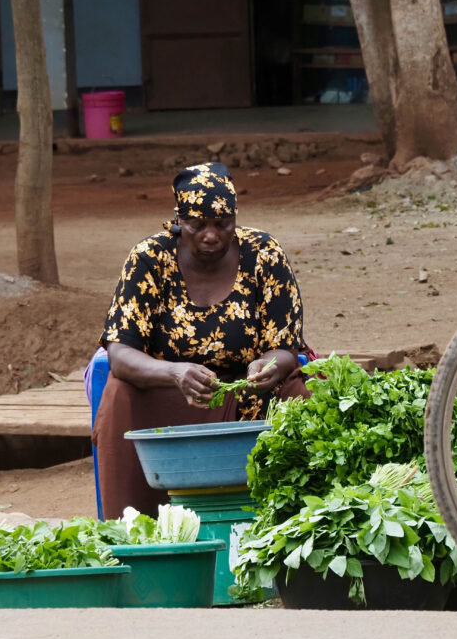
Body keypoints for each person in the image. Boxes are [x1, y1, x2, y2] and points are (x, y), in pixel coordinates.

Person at [92, 162, 312, 518]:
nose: (211, 236)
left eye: (223, 224)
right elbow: (120, 353)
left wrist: (269, 365)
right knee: (119, 393)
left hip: (248, 394)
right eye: (197, 225)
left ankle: (296, 521)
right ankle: (132, 529)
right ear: (179, 220)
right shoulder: (149, 258)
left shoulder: (264, 254)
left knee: (300, 398)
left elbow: (287, 346)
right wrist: (175, 373)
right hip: (170, 394)